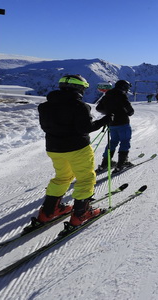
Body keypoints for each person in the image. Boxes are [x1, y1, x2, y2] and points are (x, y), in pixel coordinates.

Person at [36, 74, 112, 227]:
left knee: (62, 177)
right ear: (79, 89)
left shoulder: (44, 106)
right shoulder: (80, 106)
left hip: (54, 148)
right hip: (78, 149)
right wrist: (105, 120)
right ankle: (81, 213)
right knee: (86, 179)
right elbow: (86, 128)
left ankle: (48, 212)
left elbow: (46, 127)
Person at [96, 80, 135, 172]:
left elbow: (98, 108)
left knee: (112, 142)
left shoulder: (107, 95)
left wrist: (109, 114)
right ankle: (121, 164)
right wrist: (125, 112)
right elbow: (130, 111)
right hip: (123, 123)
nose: (127, 89)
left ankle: (105, 164)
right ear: (124, 87)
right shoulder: (121, 95)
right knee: (125, 142)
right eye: (127, 87)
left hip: (111, 123)